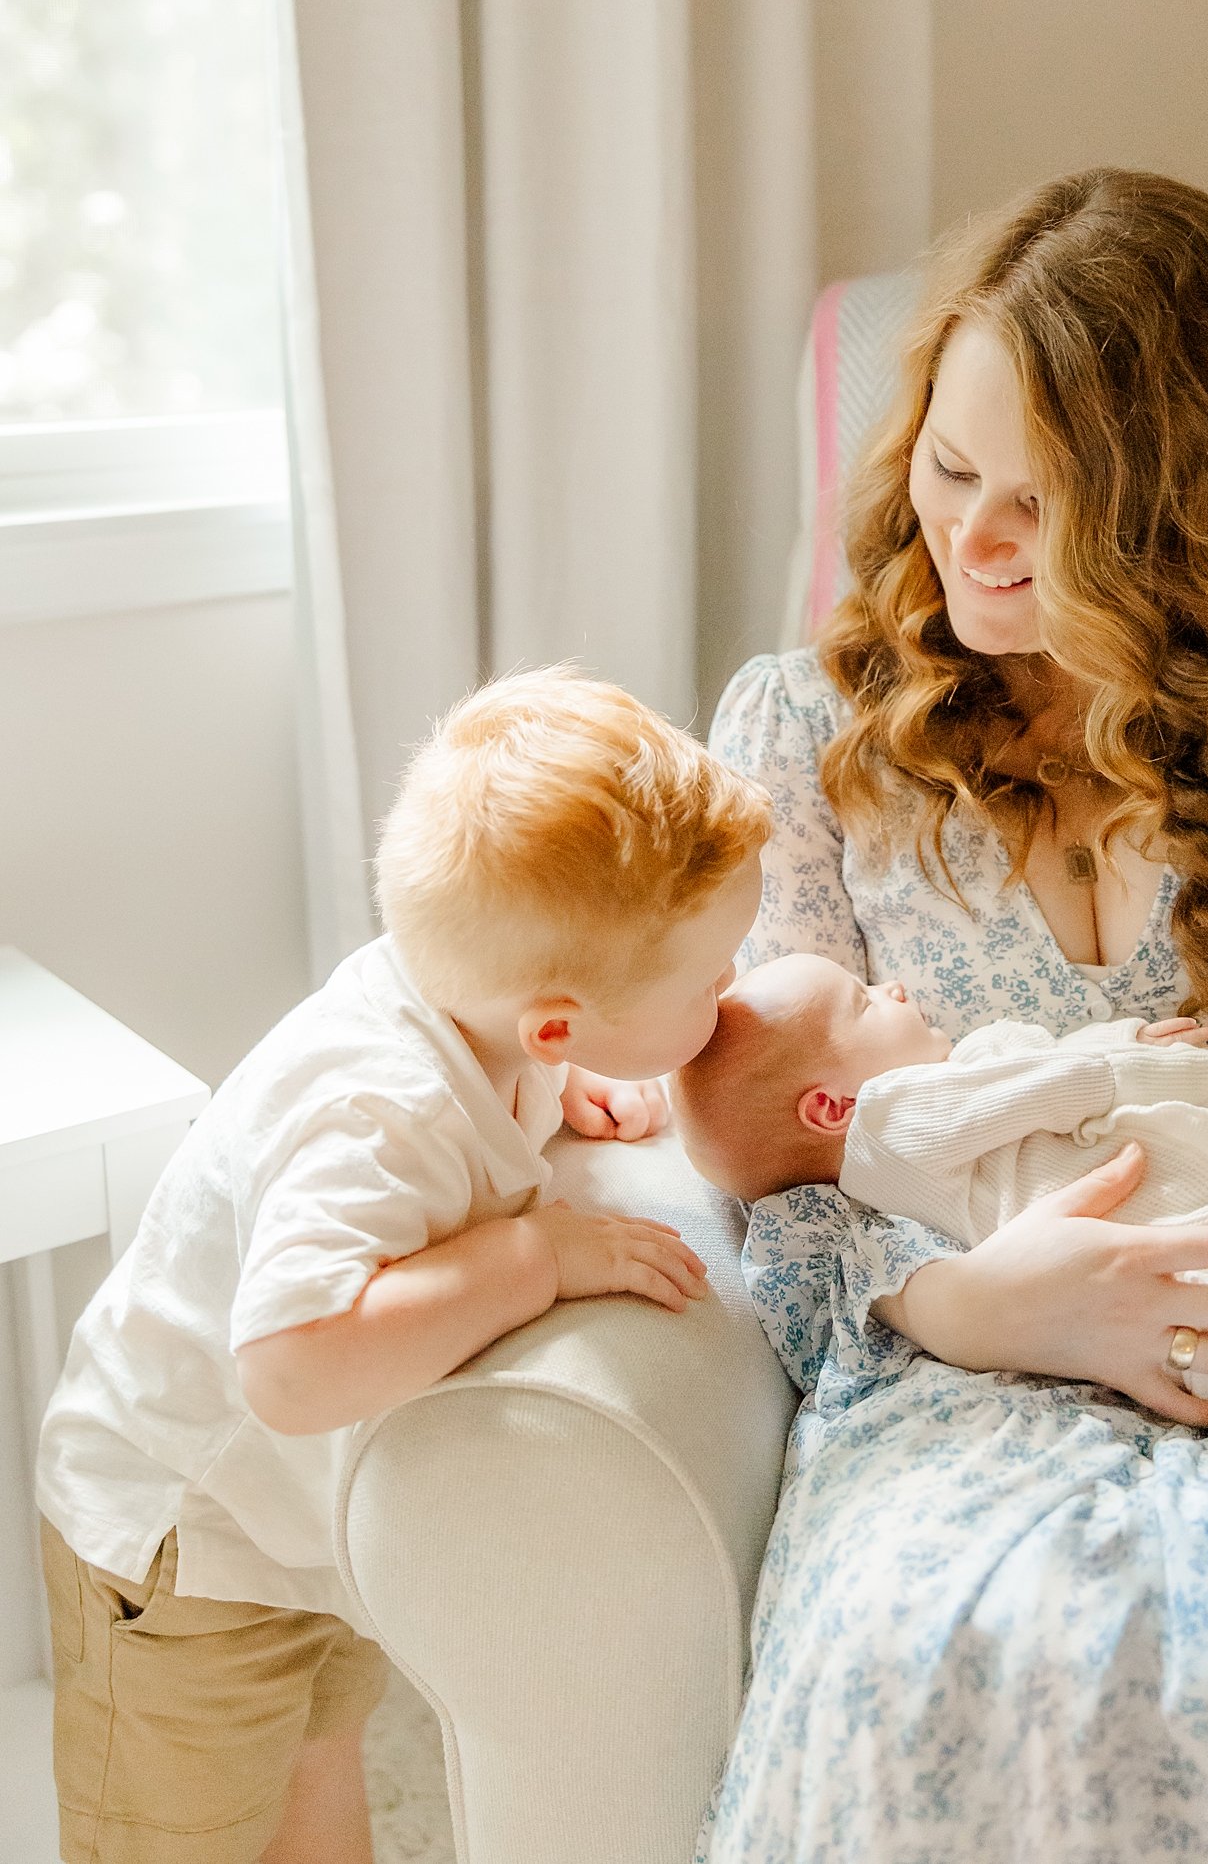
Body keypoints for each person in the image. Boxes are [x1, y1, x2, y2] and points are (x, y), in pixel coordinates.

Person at [701, 169, 1208, 1863]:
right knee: (934, 1648)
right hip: (978, 1355)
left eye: (1044, 507)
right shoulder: (804, 735)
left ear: (1196, 513)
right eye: (950, 469)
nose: (968, 544)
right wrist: (978, 1306)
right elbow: (755, 1163)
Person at [35, 668, 771, 1864]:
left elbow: (507, 1074)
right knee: (184, 1833)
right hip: (180, 1546)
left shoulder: (486, 1021)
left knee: (320, 1796)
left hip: (290, 1531)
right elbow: (290, 1364)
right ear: (555, 1017)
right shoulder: (371, 1114)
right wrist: (530, 1256)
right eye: (707, 980)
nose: (729, 989)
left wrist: (570, 1083)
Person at [672, 952, 1208, 1405]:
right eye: (864, 1003)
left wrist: (1134, 1048)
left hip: (1171, 1270)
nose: (894, 988)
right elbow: (1056, 1083)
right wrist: (1179, 1072)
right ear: (832, 1107)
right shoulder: (893, 1117)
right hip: (1177, 1253)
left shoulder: (906, 1155)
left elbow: (1036, 1079)